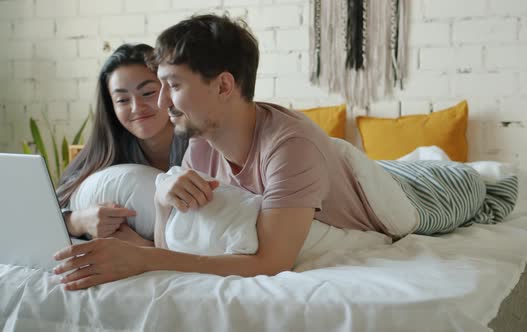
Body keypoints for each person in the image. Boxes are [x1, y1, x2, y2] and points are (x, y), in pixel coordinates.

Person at [53, 15, 387, 290]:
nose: (160, 103)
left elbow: (270, 263)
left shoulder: (291, 146)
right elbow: (174, 245)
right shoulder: (200, 142)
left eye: (173, 85)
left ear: (224, 86)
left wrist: (142, 258)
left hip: (398, 197)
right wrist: (161, 197)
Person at [56, 43, 191, 246]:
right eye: (122, 100)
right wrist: (78, 221)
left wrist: (144, 248)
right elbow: (45, 212)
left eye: (147, 93)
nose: (137, 108)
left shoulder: (199, 143)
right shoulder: (108, 149)